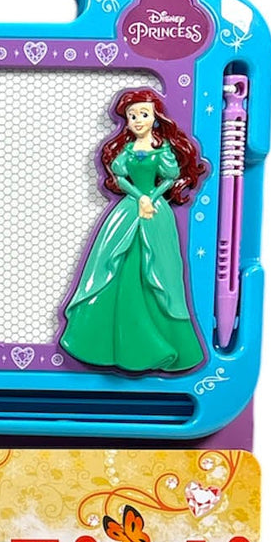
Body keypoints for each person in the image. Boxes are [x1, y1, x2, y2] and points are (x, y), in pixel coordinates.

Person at [59, 88, 207, 373]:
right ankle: (101, 341)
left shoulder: (161, 149)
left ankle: (165, 339)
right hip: (129, 209)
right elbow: (120, 177)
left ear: (155, 117)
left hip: (154, 212)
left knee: (158, 268)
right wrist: (139, 196)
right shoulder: (126, 150)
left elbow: (170, 178)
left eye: (143, 115)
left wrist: (151, 198)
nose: (138, 120)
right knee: (112, 262)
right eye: (132, 116)